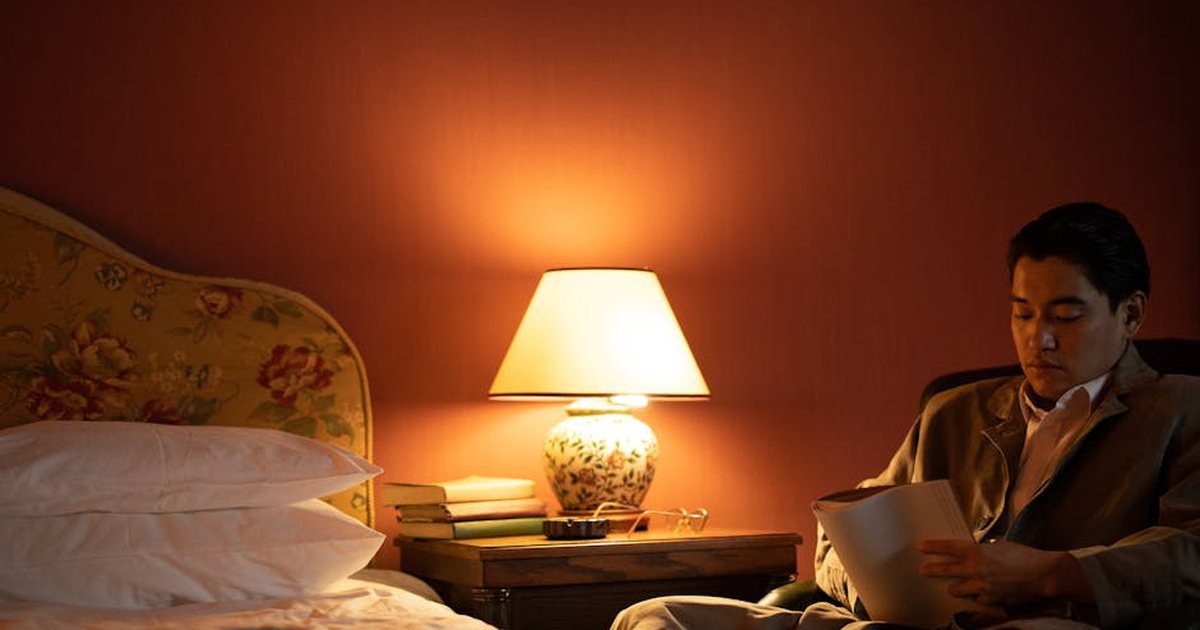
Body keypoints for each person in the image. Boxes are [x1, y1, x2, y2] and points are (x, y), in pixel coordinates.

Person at [611, 202, 1200, 630]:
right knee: (655, 615)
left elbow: (1190, 554)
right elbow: (841, 541)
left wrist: (1047, 575)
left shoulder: (1180, 409)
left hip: (1051, 623)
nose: (1038, 339)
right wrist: (883, 594)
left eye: (1066, 317)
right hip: (907, 626)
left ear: (1131, 314)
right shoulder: (955, 412)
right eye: (1022, 314)